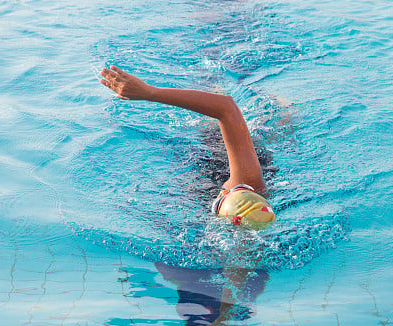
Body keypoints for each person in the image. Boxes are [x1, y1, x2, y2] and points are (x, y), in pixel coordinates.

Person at [100, 66, 276, 229]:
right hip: (236, 155)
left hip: (208, 173)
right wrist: (150, 93)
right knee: (270, 120)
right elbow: (226, 107)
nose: (240, 188)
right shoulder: (248, 180)